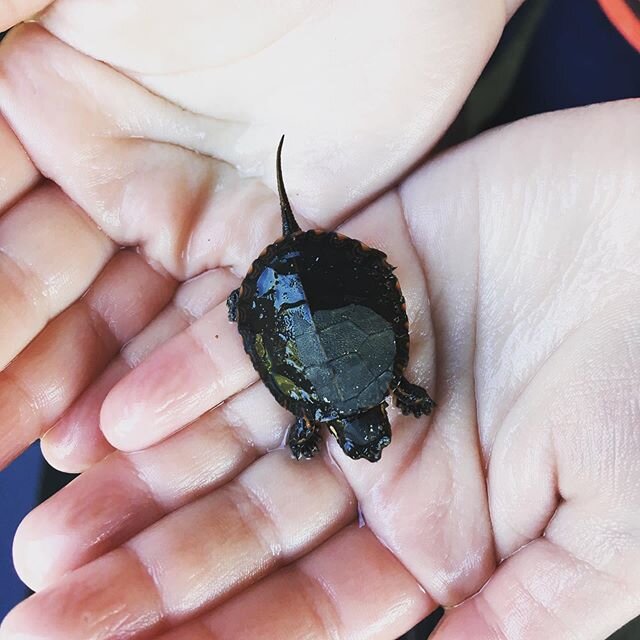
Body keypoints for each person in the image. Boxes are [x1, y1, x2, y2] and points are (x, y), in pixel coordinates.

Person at [0, 2, 638, 639]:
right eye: (370, 440)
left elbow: (370, 321)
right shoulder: (338, 399)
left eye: (366, 443)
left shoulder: (383, 381)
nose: (373, 444)